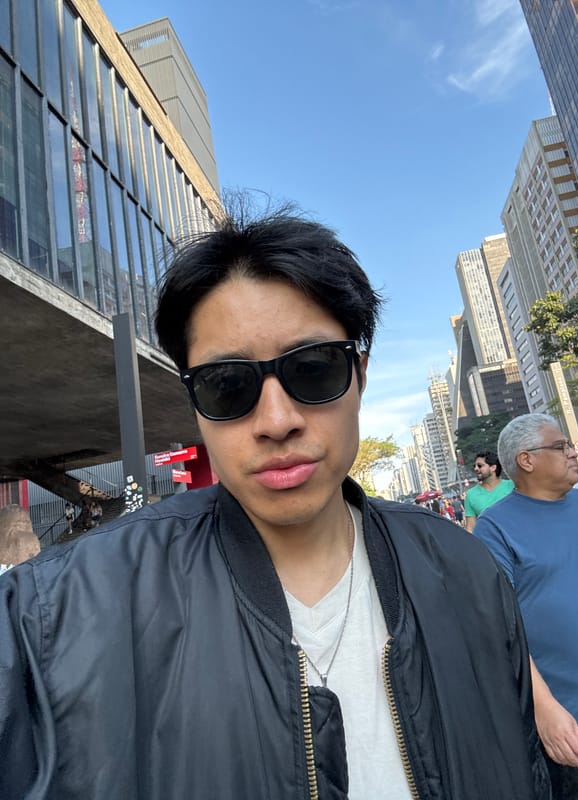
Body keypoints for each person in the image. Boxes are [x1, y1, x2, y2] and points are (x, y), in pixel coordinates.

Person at [0, 208, 550, 799]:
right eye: (227, 385)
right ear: (194, 405)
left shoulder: (465, 571)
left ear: (359, 378)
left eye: (312, 371)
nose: (277, 420)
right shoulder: (52, 618)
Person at [474, 412, 578, 800]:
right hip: (570, 723)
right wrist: (544, 710)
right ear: (526, 460)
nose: (572, 452)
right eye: (561, 446)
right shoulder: (494, 527)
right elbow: (498, 626)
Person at [464, 450, 514, 531]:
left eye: (480, 466)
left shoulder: (512, 486)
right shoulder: (471, 495)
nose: (476, 469)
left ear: (493, 467)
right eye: (475, 466)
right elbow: (470, 528)